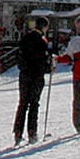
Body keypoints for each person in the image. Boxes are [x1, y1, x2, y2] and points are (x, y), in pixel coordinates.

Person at [11, 15, 52, 145]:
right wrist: (49, 67)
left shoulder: (26, 38)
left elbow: (19, 56)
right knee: (34, 104)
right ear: (45, 27)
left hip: (24, 75)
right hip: (36, 76)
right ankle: (32, 133)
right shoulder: (42, 41)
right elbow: (43, 60)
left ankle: (18, 133)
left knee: (23, 104)